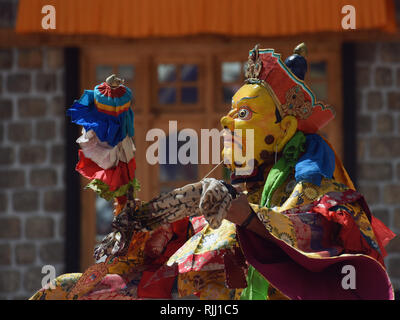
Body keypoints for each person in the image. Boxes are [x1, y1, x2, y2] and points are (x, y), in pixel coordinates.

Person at [30, 44, 396, 300]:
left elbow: (312, 238)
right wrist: (119, 177)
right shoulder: (216, 197)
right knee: (65, 290)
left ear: (284, 131)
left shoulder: (322, 198)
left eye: (244, 114)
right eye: (229, 111)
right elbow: (145, 255)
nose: (224, 121)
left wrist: (247, 216)